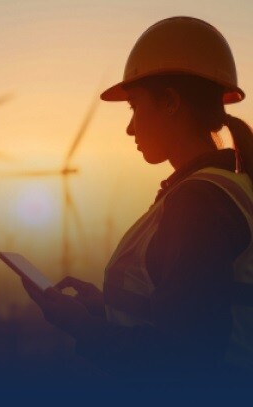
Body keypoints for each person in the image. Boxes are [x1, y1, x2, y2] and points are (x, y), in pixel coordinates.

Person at [21, 16, 253, 383]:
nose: (130, 127)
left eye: (133, 106)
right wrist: (105, 309)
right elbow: (193, 315)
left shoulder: (199, 204)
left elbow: (183, 362)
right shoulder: (226, 187)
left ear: (171, 102)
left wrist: (82, 326)